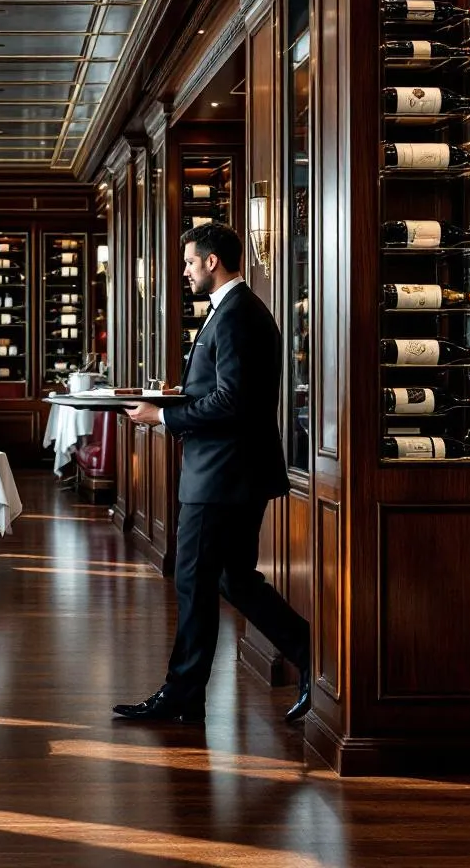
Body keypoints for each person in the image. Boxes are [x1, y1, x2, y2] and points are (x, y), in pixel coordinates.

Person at [113, 223, 311, 726]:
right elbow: (223, 389)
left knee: (194, 581)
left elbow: (234, 400)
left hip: (223, 475)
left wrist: (163, 416)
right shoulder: (234, 311)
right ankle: (312, 655)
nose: (183, 271)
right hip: (232, 471)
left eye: (188, 263)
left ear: (212, 261)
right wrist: (176, 396)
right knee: (233, 579)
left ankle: (182, 695)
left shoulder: (237, 314)